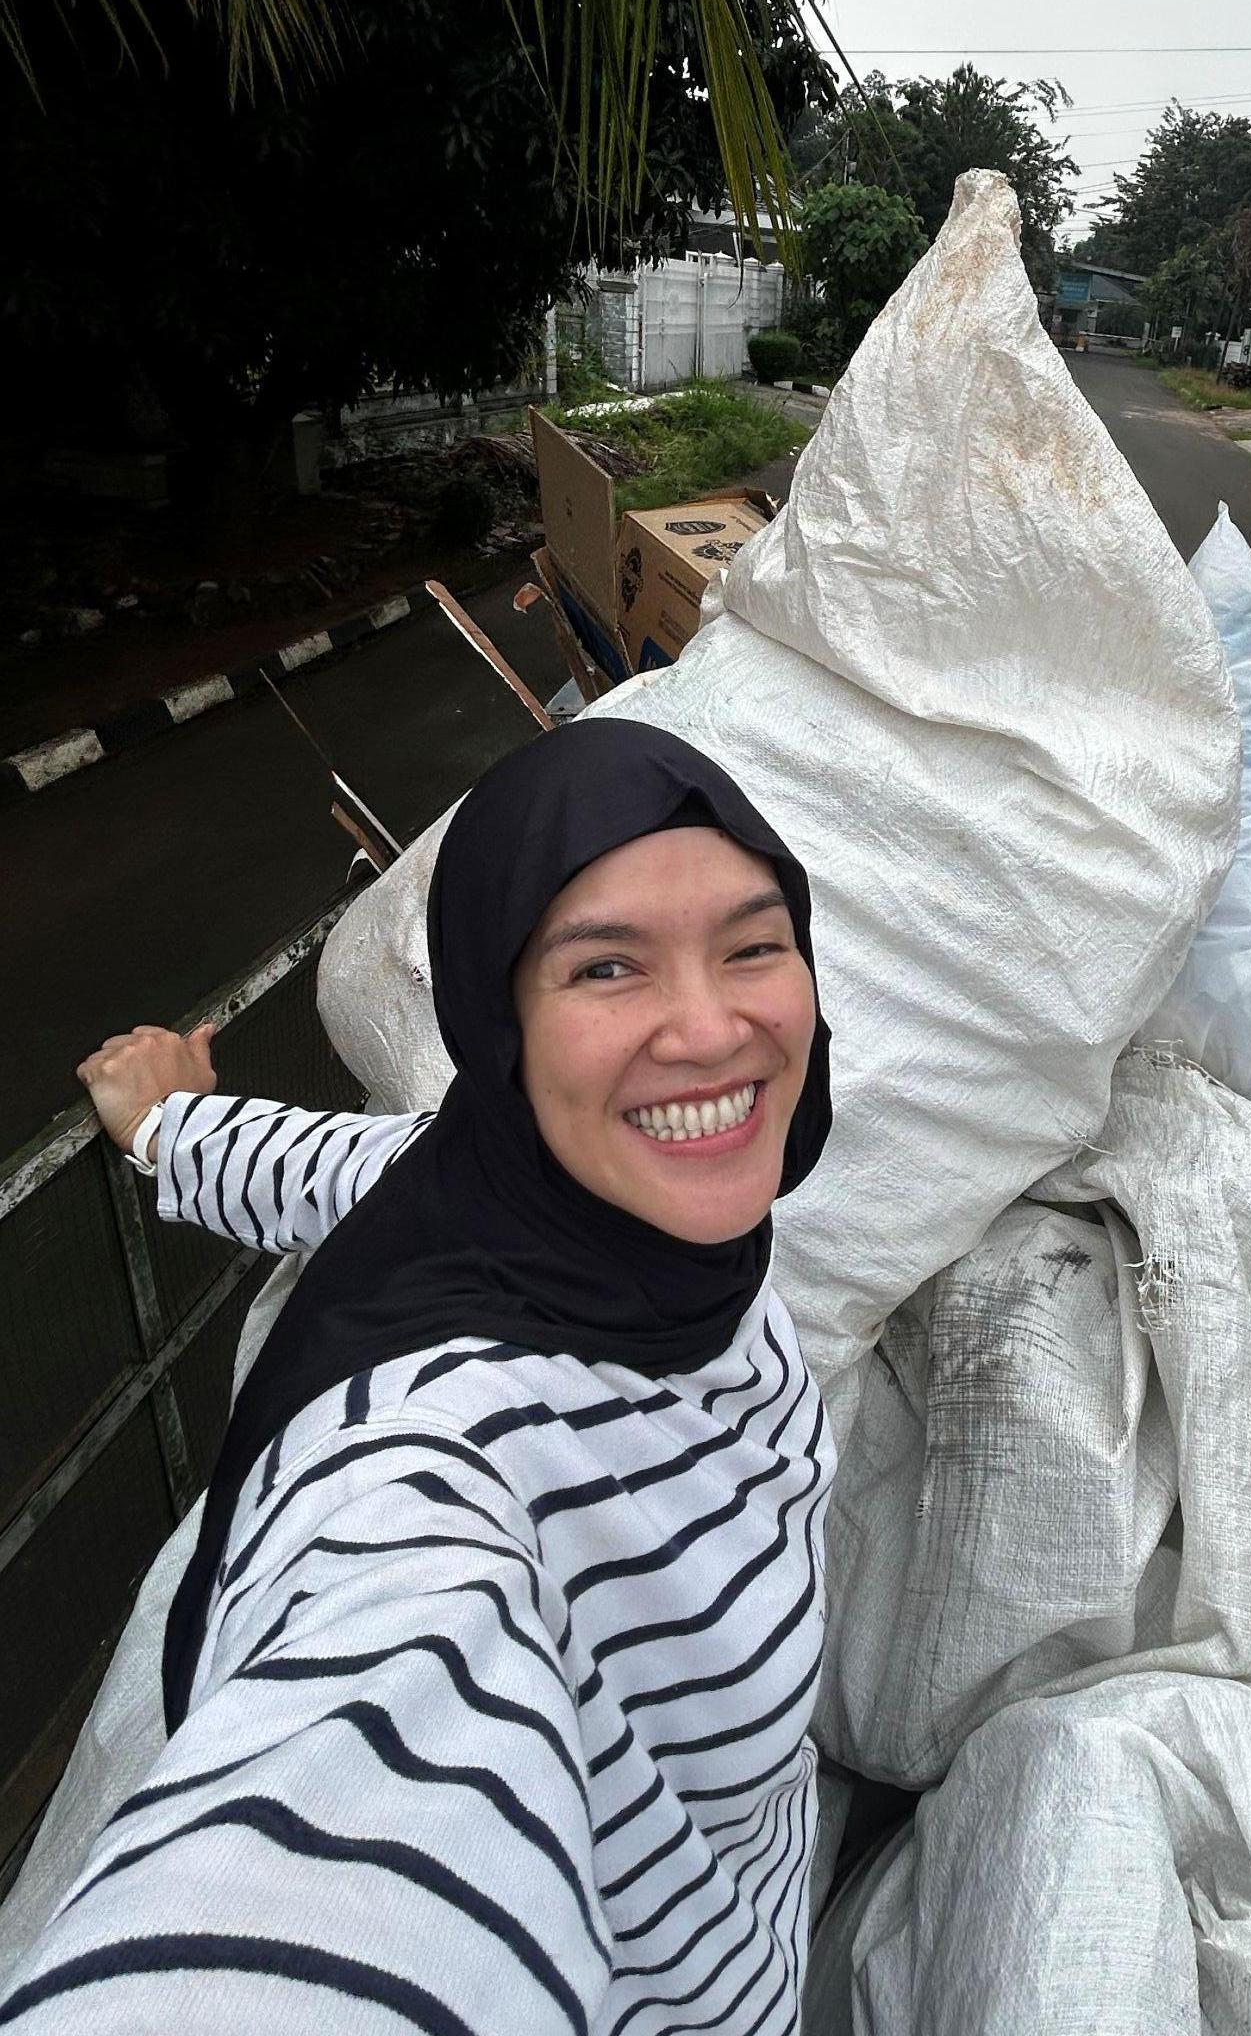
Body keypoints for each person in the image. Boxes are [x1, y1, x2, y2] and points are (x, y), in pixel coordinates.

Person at [2, 720, 835, 2034]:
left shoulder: (522, 1197)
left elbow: (326, 1166)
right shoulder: (429, 1462)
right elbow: (352, 1799)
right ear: (495, 1023)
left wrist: (167, 1120)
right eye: (605, 966)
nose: (709, 1025)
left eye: (752, 945)